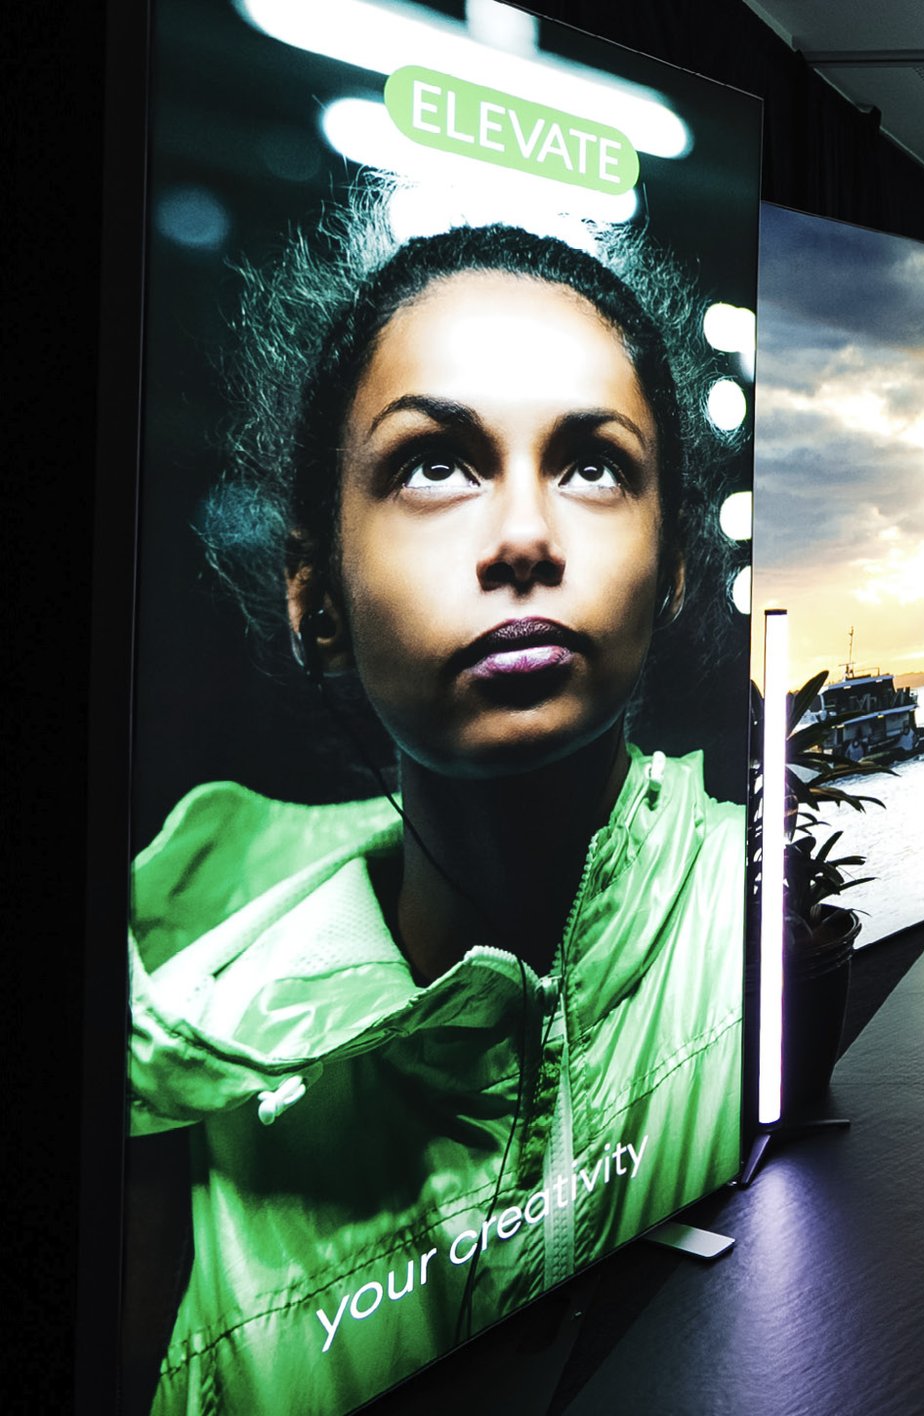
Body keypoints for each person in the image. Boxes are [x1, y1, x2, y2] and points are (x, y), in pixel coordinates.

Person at [126, 219, 748, 1415]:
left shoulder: (770, 917)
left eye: (594, 466)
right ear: (315, 595)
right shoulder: (172, 1113)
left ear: (672, 569)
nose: (524, 538)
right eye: (435, 464)